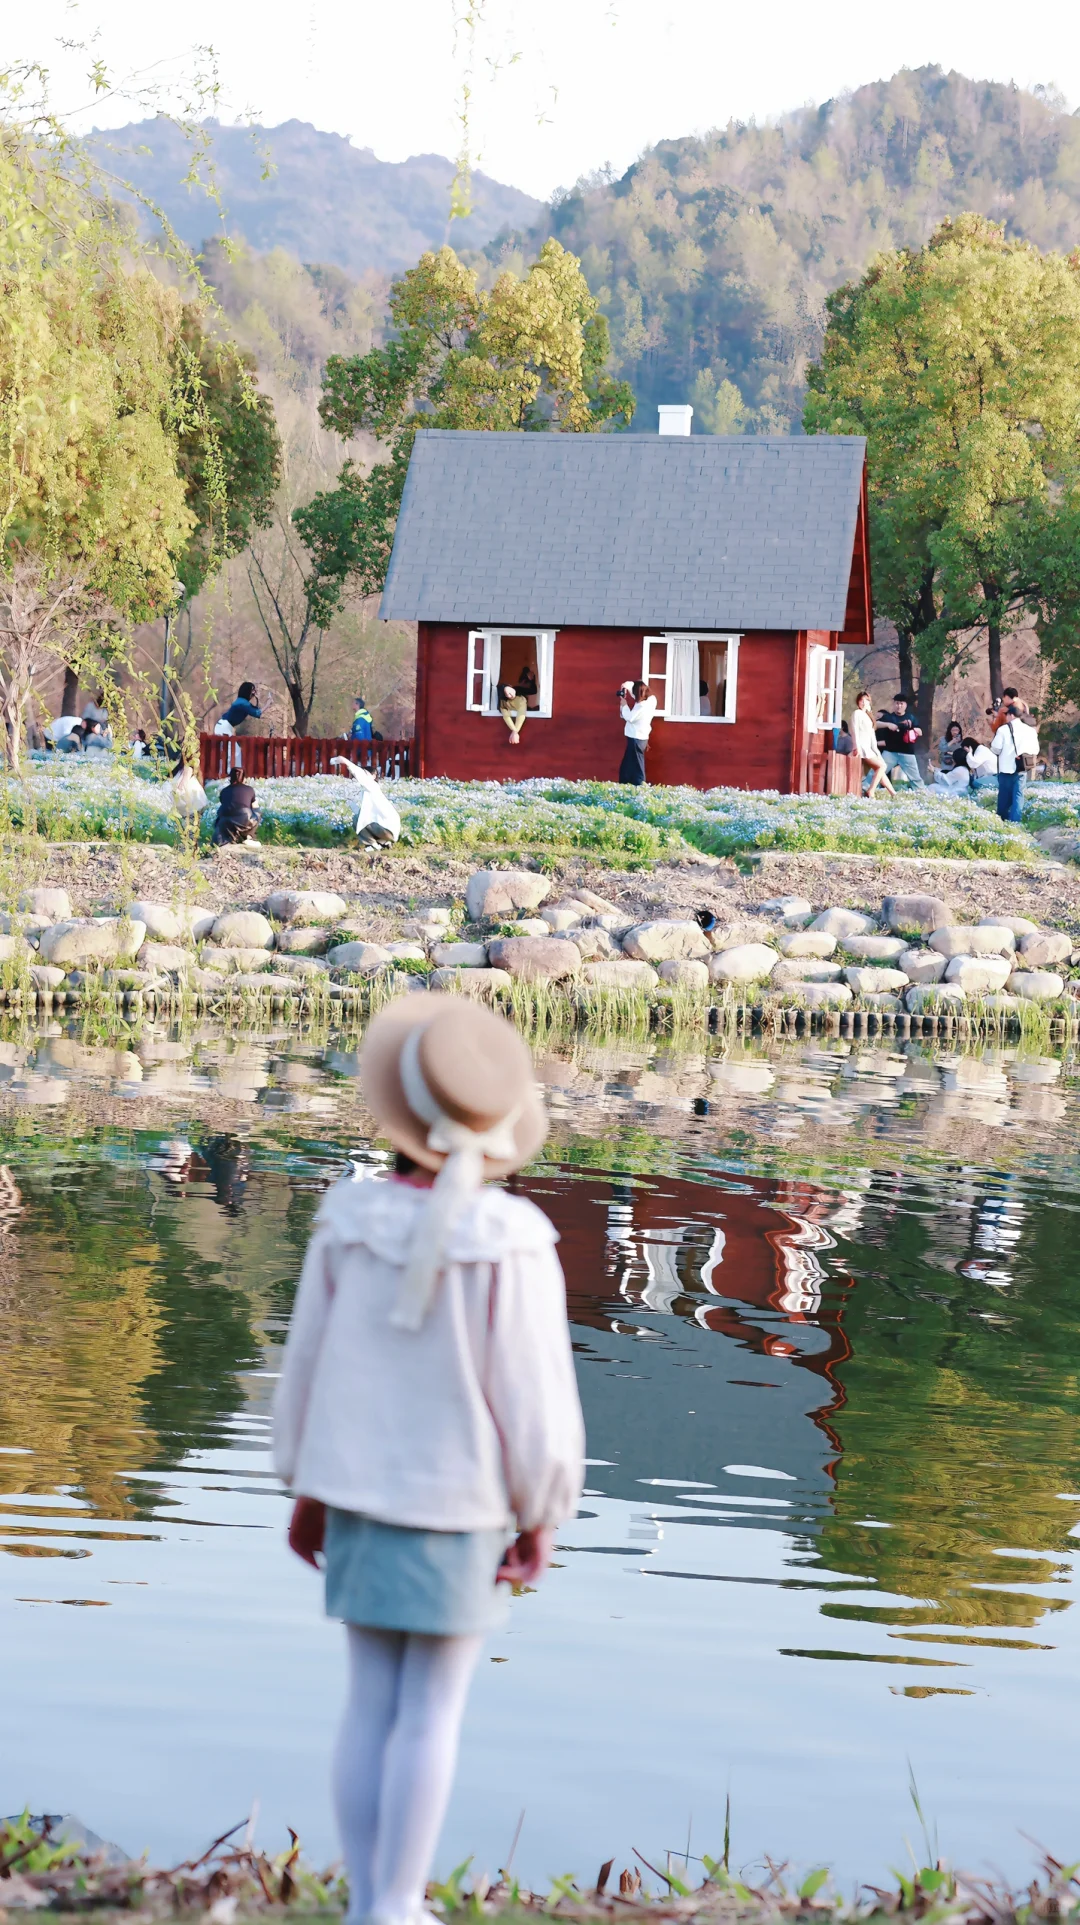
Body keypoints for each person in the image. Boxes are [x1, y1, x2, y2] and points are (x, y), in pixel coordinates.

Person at [273, 995, 584, 1925]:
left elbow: (306, 1365)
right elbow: (532, 1400)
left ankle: (372, 1898)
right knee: (432, 1710)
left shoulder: (347, 1218)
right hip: (464, 1503)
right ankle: (396, 1905)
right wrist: (544, 1509)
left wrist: (304, 1483)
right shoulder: (515, 1242)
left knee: (367, 1699)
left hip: (358, 1489)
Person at [330, 755, 401, 849]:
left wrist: (345, 761)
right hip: (387, 830)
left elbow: (360, 775)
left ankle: (372, 844)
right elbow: (365, 812)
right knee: (359, 818)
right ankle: (382, 843)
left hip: (387, 829)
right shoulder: (370, 791)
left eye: (365, 774)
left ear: (373, 776)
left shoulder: (372, 786)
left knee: (357, 819)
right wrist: (349, 802)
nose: (362, 777)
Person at [991, 702, 1040, 822]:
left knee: (1004, 796)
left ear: (1011, 715)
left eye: (1007, 715)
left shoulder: (1003, 730)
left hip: (1006, 768)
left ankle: (1002, 820)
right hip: (1022, 768)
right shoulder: (1030, 730)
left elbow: (995, 748)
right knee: (1018, 795)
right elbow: (1036, 750)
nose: (1006, 717)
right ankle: (1015, 822)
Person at [851, 691, 896, 797]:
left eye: (865, 700)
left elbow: (872, 738)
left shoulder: (869, 716)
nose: (863, 702)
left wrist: (877, 753)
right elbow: (854, 731)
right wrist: (855, 746)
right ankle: (871, 790)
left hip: (869, 749)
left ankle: (893, 793)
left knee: (880, 769)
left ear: (869, 702)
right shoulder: (857, 713)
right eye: (861, 700)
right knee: (882, 766)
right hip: (861, 748)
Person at [876, 693, 924, 786]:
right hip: (890, 752)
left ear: (905, 705)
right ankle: (866, 789)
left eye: (901, 703)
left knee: (915, 778)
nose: (899, 706)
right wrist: (888, 725)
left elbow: (920, 732)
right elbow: (876, 724)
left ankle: (922, 794)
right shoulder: (888, 717)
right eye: (897, 703)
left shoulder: (911, 717)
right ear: (894, 704)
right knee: (878, 773)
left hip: (907, 752)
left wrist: (911, 727)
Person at [618, 679, 657, 785]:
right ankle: (626, 783)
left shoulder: (641, 707)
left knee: (637, 766)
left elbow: (630, 717)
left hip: (635, 738)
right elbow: (639, 692)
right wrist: (626, 686)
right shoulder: (652, 700)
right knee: (628, 765)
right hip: (642, 738)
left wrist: (624, 705)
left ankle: (640, 786)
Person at [211, 766, 260, 844]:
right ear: (244, 778)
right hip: (245, 820)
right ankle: (249, 836)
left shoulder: (224, 791)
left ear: (230, 778)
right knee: (257, 811)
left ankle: (228, 837)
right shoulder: (250, 789)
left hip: (226, 821)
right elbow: (255, 807)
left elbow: (225, 804)